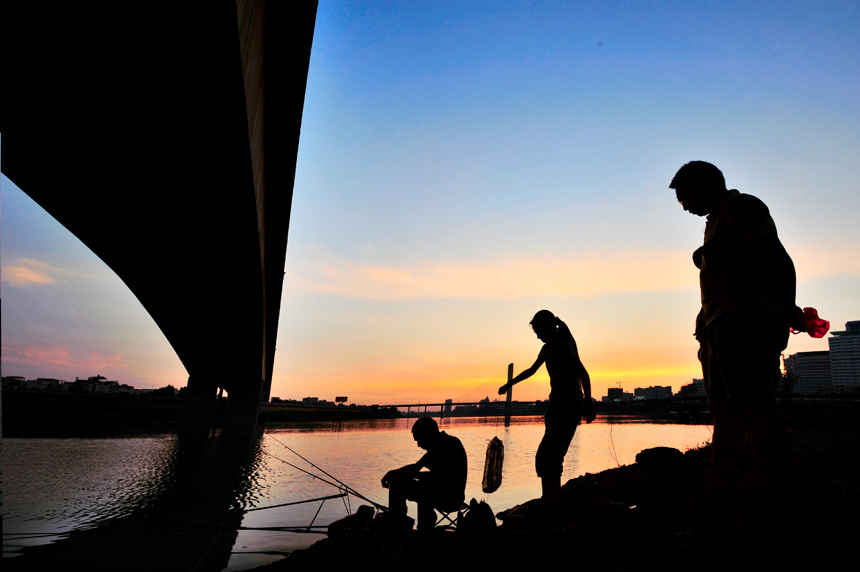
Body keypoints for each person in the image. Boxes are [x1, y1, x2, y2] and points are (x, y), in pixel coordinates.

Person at [670, 160, 795, 503]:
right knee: (724, 406)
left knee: (754, 401)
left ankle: (771, 479)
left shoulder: (738, 207)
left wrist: (787, 308)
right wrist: (705, 323)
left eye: (684, 196)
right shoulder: (716, 222)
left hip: (745, 319)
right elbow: (727, 278)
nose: (683, 206)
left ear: (703, 185)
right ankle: (721, 479)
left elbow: (775, 257)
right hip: (722, 323)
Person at [498, 311, 596, 500]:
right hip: (556, 405)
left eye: (538, 331)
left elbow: (584, 374)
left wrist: (588, 404)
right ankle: (550, 498)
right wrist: (508, 384)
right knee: (547, 457)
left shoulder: (564, 346)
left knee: (550, 454)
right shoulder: (547, 349)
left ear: (549, 328)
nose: (537, 336)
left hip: (569, 403)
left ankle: (552, 500)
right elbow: (531, 370)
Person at [380, 417, 467, 531]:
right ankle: (399, 521)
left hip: (451, 498)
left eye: (419, 440)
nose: (418, 445)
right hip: (438, 494)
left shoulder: (449, 444)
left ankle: (413, 526)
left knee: (422, 485)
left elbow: (440, 476)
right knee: (401, 483)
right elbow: (416, 467)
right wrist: (394, 473)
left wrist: (407, 475)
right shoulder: (436, 445)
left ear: (430, 434)